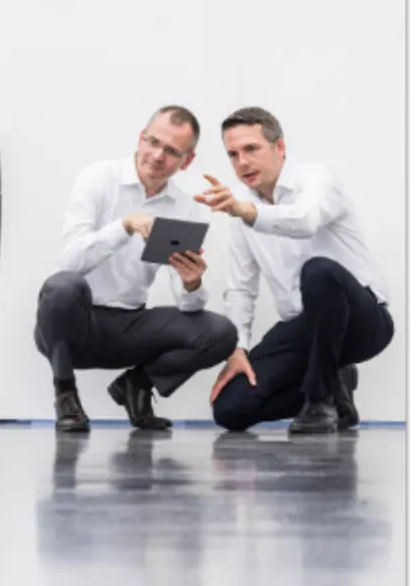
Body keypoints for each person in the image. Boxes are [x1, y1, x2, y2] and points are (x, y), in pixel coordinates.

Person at [34, 105, 238, 432]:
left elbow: (189, 307)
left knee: (221, 333)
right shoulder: (99, 178)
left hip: (129, 325)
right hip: (75, 325)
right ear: (141, 138)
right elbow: (68, 262)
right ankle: (65, 393)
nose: (158, 156)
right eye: (153, 142)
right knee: (63, 286)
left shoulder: (183, 207)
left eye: (172, 151)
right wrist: (125, 226)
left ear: (187, 160)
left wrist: (192, 284)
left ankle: (137, 386)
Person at [202, 106, 394, 434]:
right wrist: (238, 349)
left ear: (280, 148)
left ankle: (319, 401)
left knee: (318, 272)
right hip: (306, 328)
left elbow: (306, 220)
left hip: (363, 321)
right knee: (230, 410)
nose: (242, 162)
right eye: (233, 154)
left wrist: (248, 212)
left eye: (251, 149)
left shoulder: (317, 179)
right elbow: (241, 289)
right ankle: (336, 390)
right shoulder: (242, 215)